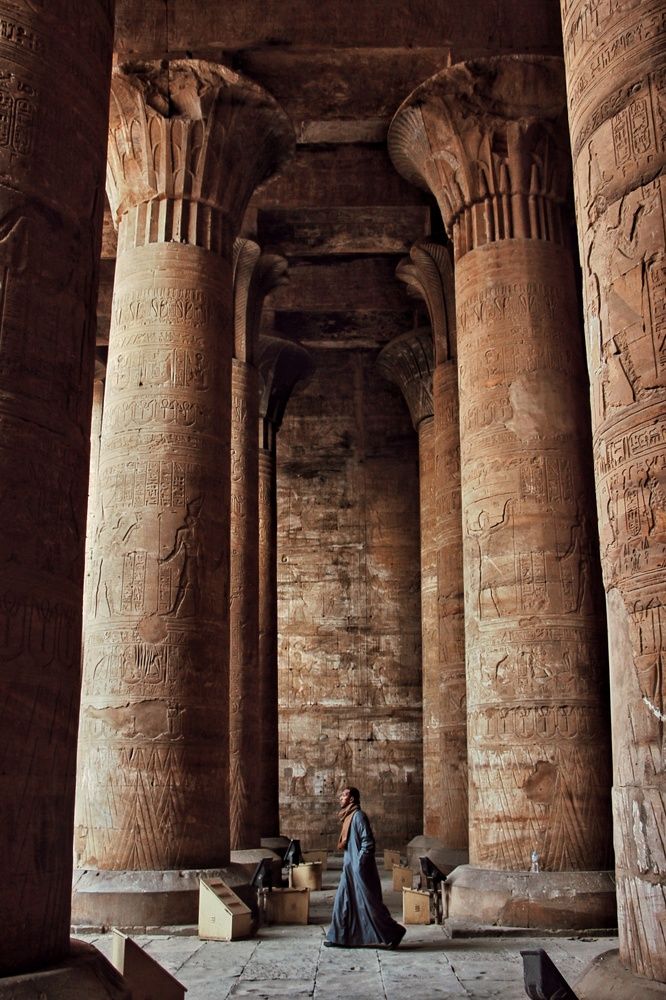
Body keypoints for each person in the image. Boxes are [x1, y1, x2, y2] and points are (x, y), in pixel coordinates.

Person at [325, 786, 406, 948]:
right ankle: (339, 937)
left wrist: (359, 865)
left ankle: (394, 933)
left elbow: (368, 843)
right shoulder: (348, 817)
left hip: (358, 870)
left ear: (352, 799)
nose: (340, 798)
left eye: (344, 795)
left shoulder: (358, 816)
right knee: (342, 902)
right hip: (349, 869)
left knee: (369, 904)